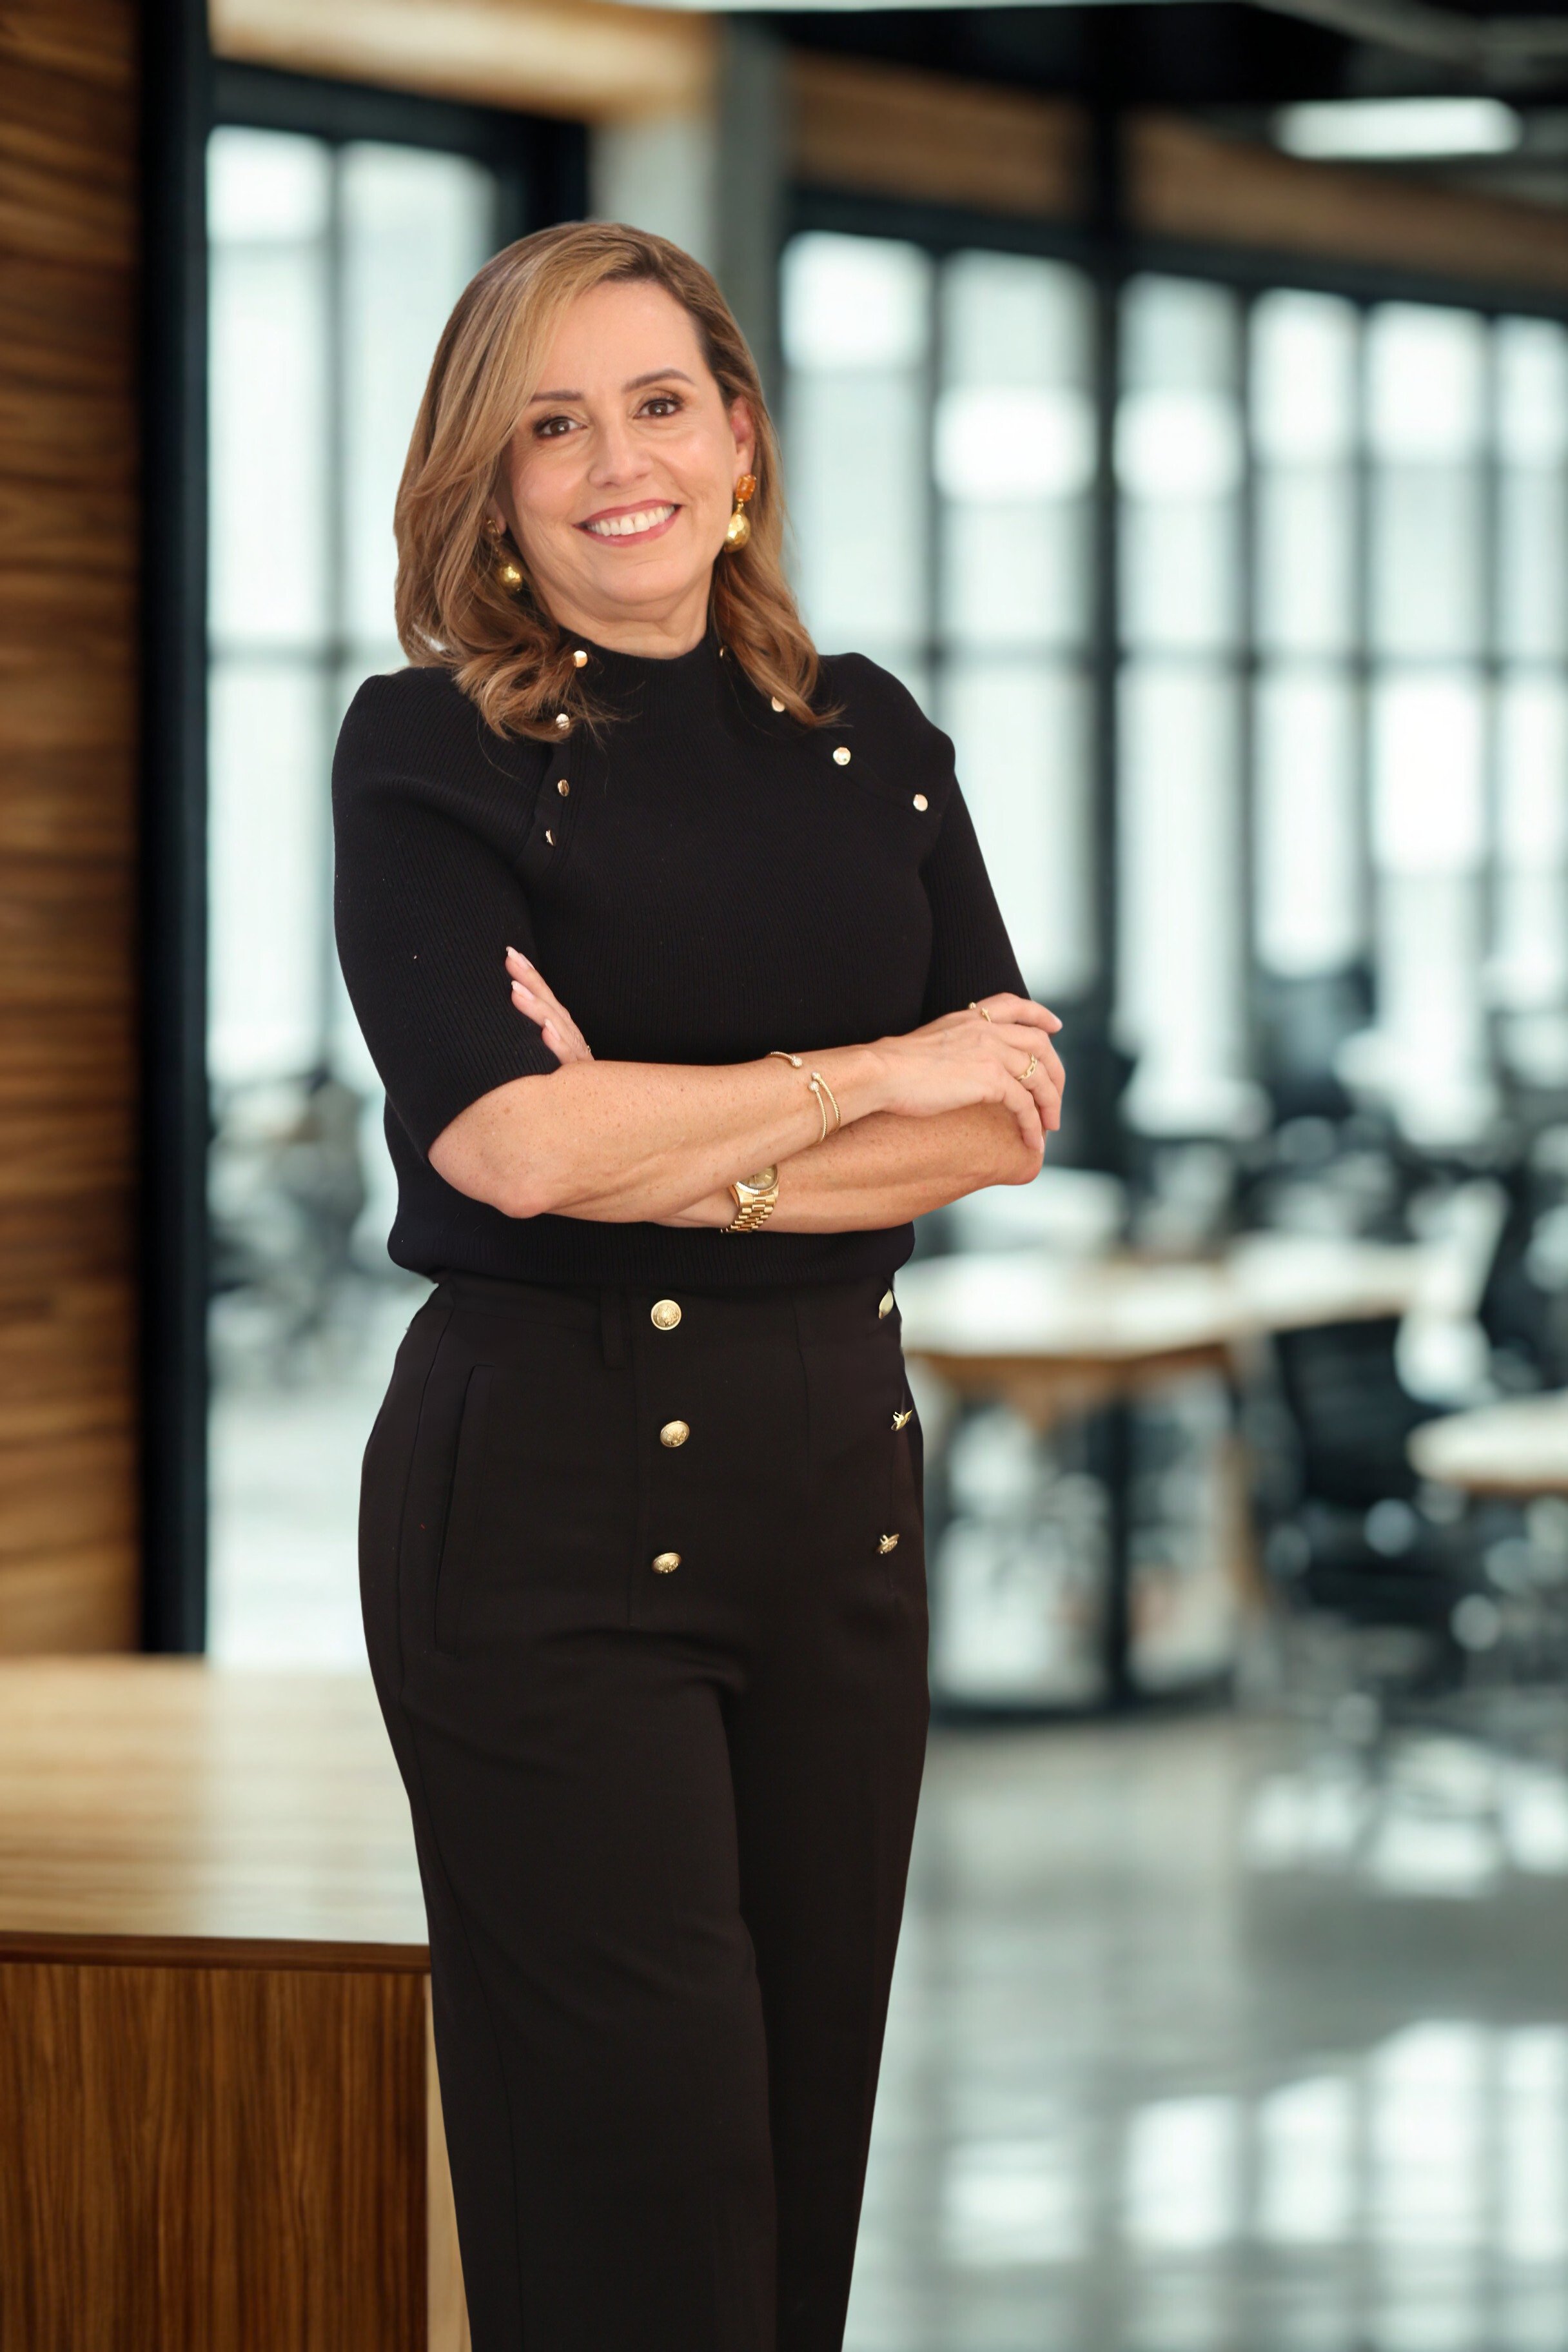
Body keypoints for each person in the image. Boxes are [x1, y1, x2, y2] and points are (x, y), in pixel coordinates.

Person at [332, 220, 1064, 2352]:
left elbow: (1006, 1112)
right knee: (636, 2201)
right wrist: (865, 1075)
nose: (614, 462)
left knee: (797, 2165)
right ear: (490, 479)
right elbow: (510, 1145)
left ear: (740, 439)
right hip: (541, 1513)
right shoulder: (427, 756)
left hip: (837, 1507)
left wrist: (696, 1145)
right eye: (548, 424)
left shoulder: (867, 730)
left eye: (659, 403)